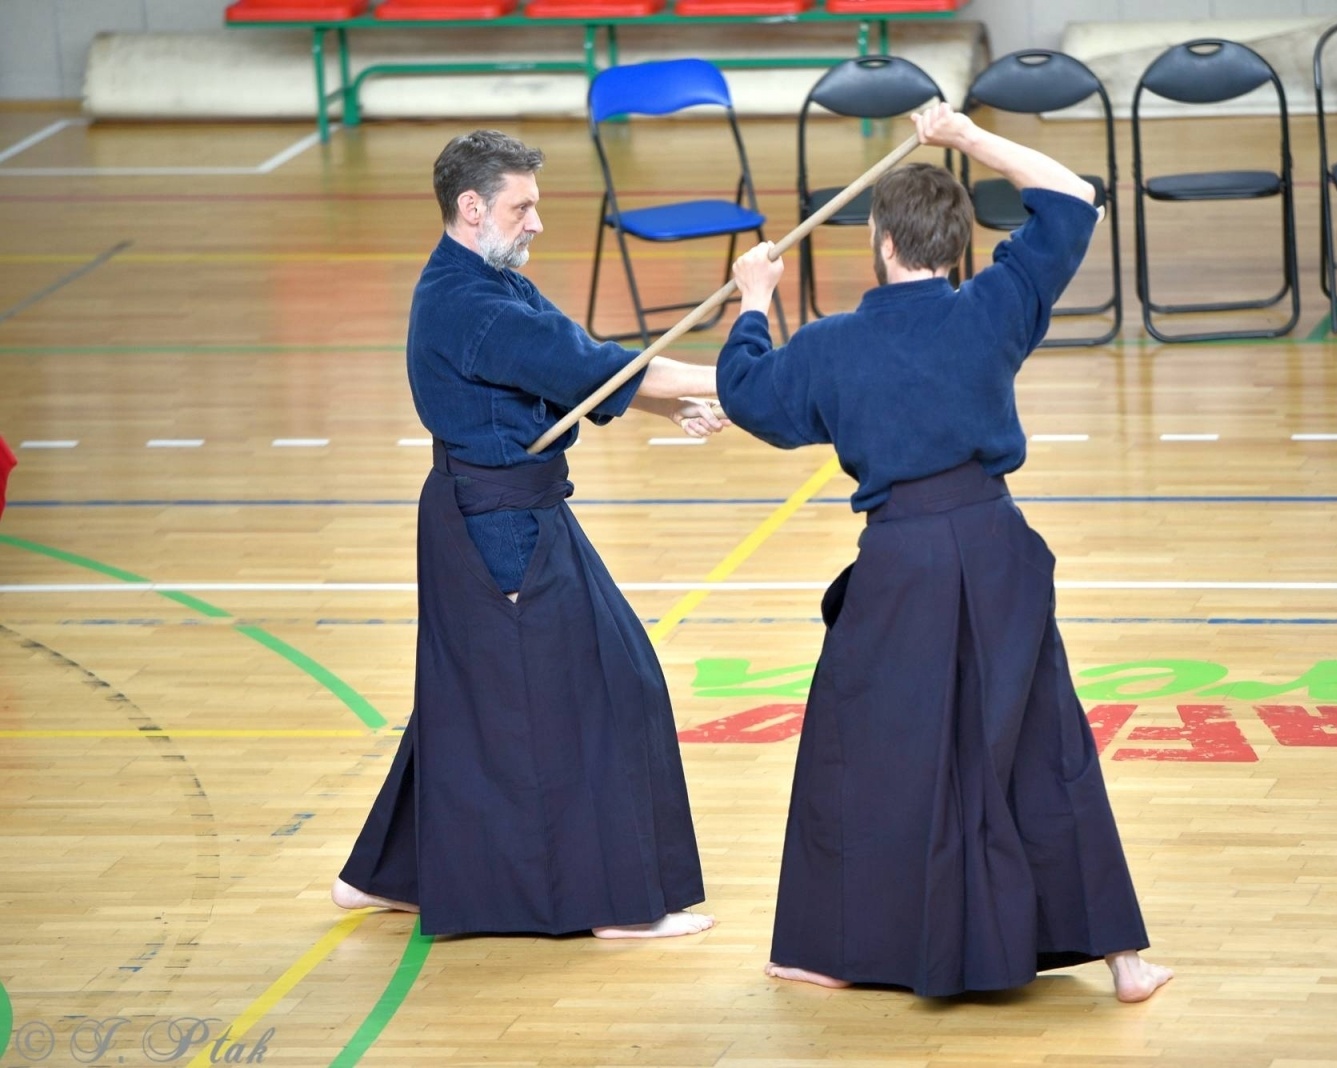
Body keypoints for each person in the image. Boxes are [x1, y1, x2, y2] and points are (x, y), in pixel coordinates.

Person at [716, 104, 1172, 999]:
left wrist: (753, 301)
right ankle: (1124, 960)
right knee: (1044, 739)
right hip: (997, 549)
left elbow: (746, 394)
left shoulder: (832, 346)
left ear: (882, 243)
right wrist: (966, 137)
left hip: (903, 568)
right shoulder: (992, 309)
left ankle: (830, 950)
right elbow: (1073, 197)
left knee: (861, 748)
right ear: (959, 246)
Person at [332, 129, 723, 940]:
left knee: (468, 699)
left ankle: (386, 875)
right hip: (502, 530)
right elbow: (589, 368)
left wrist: (665, 403)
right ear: (472, 208)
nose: (538, 221)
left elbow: (584, 367)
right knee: (602, 694)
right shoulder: (472, 306)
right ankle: (611, 904)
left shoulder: (486, 282)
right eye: (524, 206)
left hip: (505, 512)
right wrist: (753, 380)